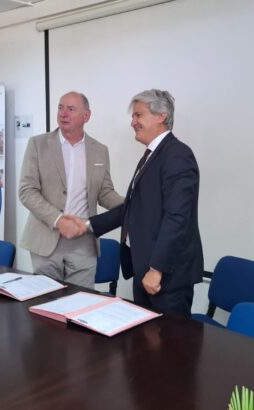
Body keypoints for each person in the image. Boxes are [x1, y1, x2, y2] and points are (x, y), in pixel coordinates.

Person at [73, 89, 203, 316]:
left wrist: (157, 269)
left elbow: (177, 217)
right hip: (144, 268)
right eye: (133, 116)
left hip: (165, 276)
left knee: (169, 338)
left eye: (138, 115)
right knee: (145, 335)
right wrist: (87, 225)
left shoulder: (177, 155)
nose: (133, 122)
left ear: (161, 116)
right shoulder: (152, 154)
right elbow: (133, 208)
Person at [19, 91, 123, 288]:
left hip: (83, 242)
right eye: (60, 107)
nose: (63, 113)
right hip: (46, 238)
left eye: (71, 109)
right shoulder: (38, 144)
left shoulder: (100, 150)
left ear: (86, 116)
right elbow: (27, 191)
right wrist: (58, 220)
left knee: (81, 300)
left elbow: (104, 192)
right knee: (46, 300)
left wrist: (132, 205)